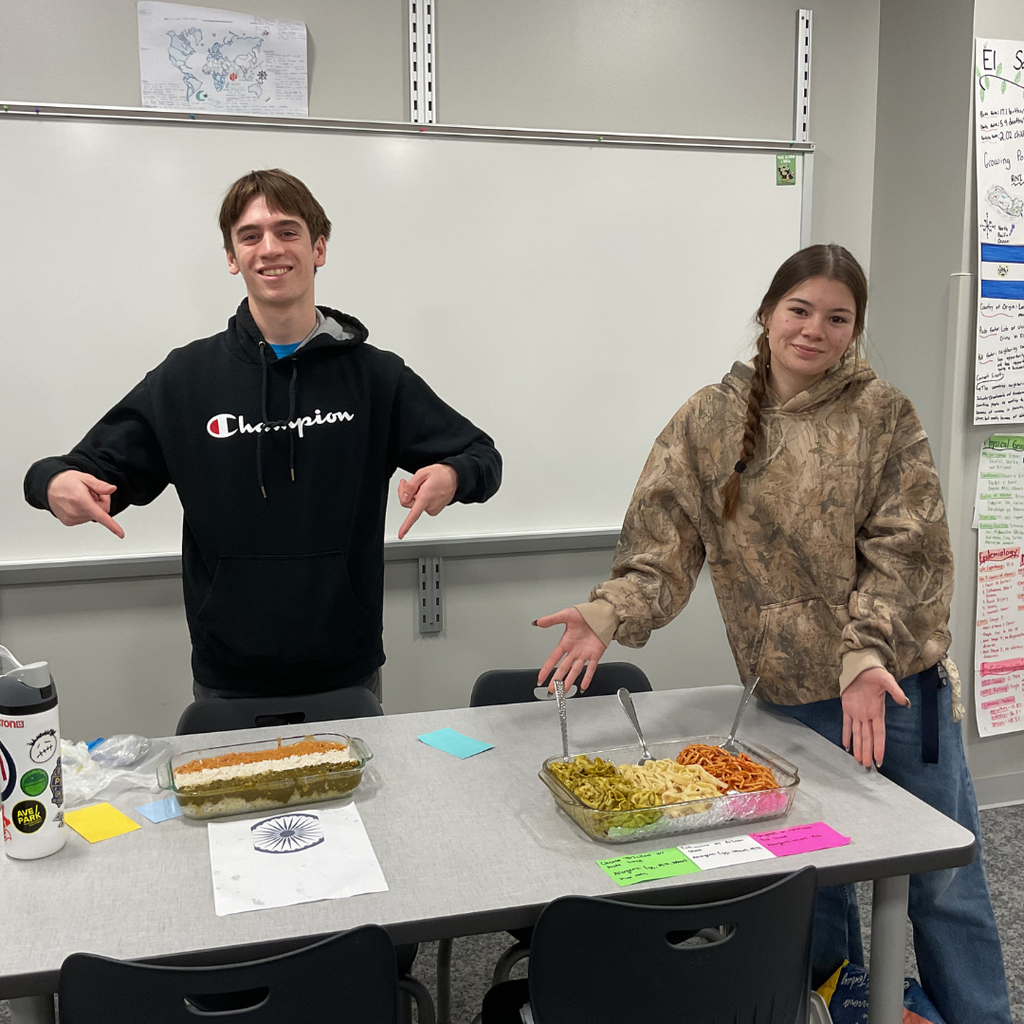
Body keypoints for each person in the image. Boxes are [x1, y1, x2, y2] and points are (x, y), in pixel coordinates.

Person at [535, 244, 1010, 1024]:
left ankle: (982, 1016)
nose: (814, 330)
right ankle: (833, 1007)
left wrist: (865, 654)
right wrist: (606, 613)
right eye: (799, 309)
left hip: (890, 695)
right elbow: (663, 547)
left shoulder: (882, 414)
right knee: (809, 884)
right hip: (787, 701)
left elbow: (908, 548)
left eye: (837, 318)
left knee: (942, 884)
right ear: (766, 313)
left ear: (854, 330)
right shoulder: (708, 420)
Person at [24, 168, 501, 705]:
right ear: (232, 257)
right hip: (228, 675)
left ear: (319, 248)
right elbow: (80, 469)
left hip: (346, 670)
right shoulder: (186, 378)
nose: (270, 248)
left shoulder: (376, 377)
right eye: (250, 236)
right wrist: (51, 483)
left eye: (288, 231)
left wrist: (454, 474)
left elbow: (482, 456)